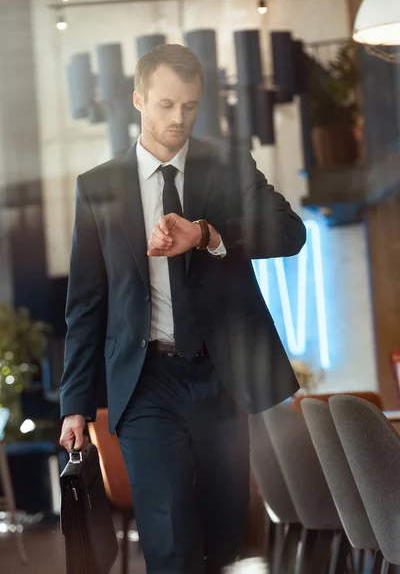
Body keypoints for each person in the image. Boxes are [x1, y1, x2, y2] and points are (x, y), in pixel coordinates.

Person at [59, 43, 306, 574]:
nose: (178, 119)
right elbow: (85, 306)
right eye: (167, 105)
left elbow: (291, 233)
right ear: (138, 99)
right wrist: (74, 404)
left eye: (189, 106)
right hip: (147, 382)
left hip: (222, 378)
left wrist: (208, 234)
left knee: (224, 535)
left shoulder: (229, 166)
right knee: (170, 540)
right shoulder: (97, 188)